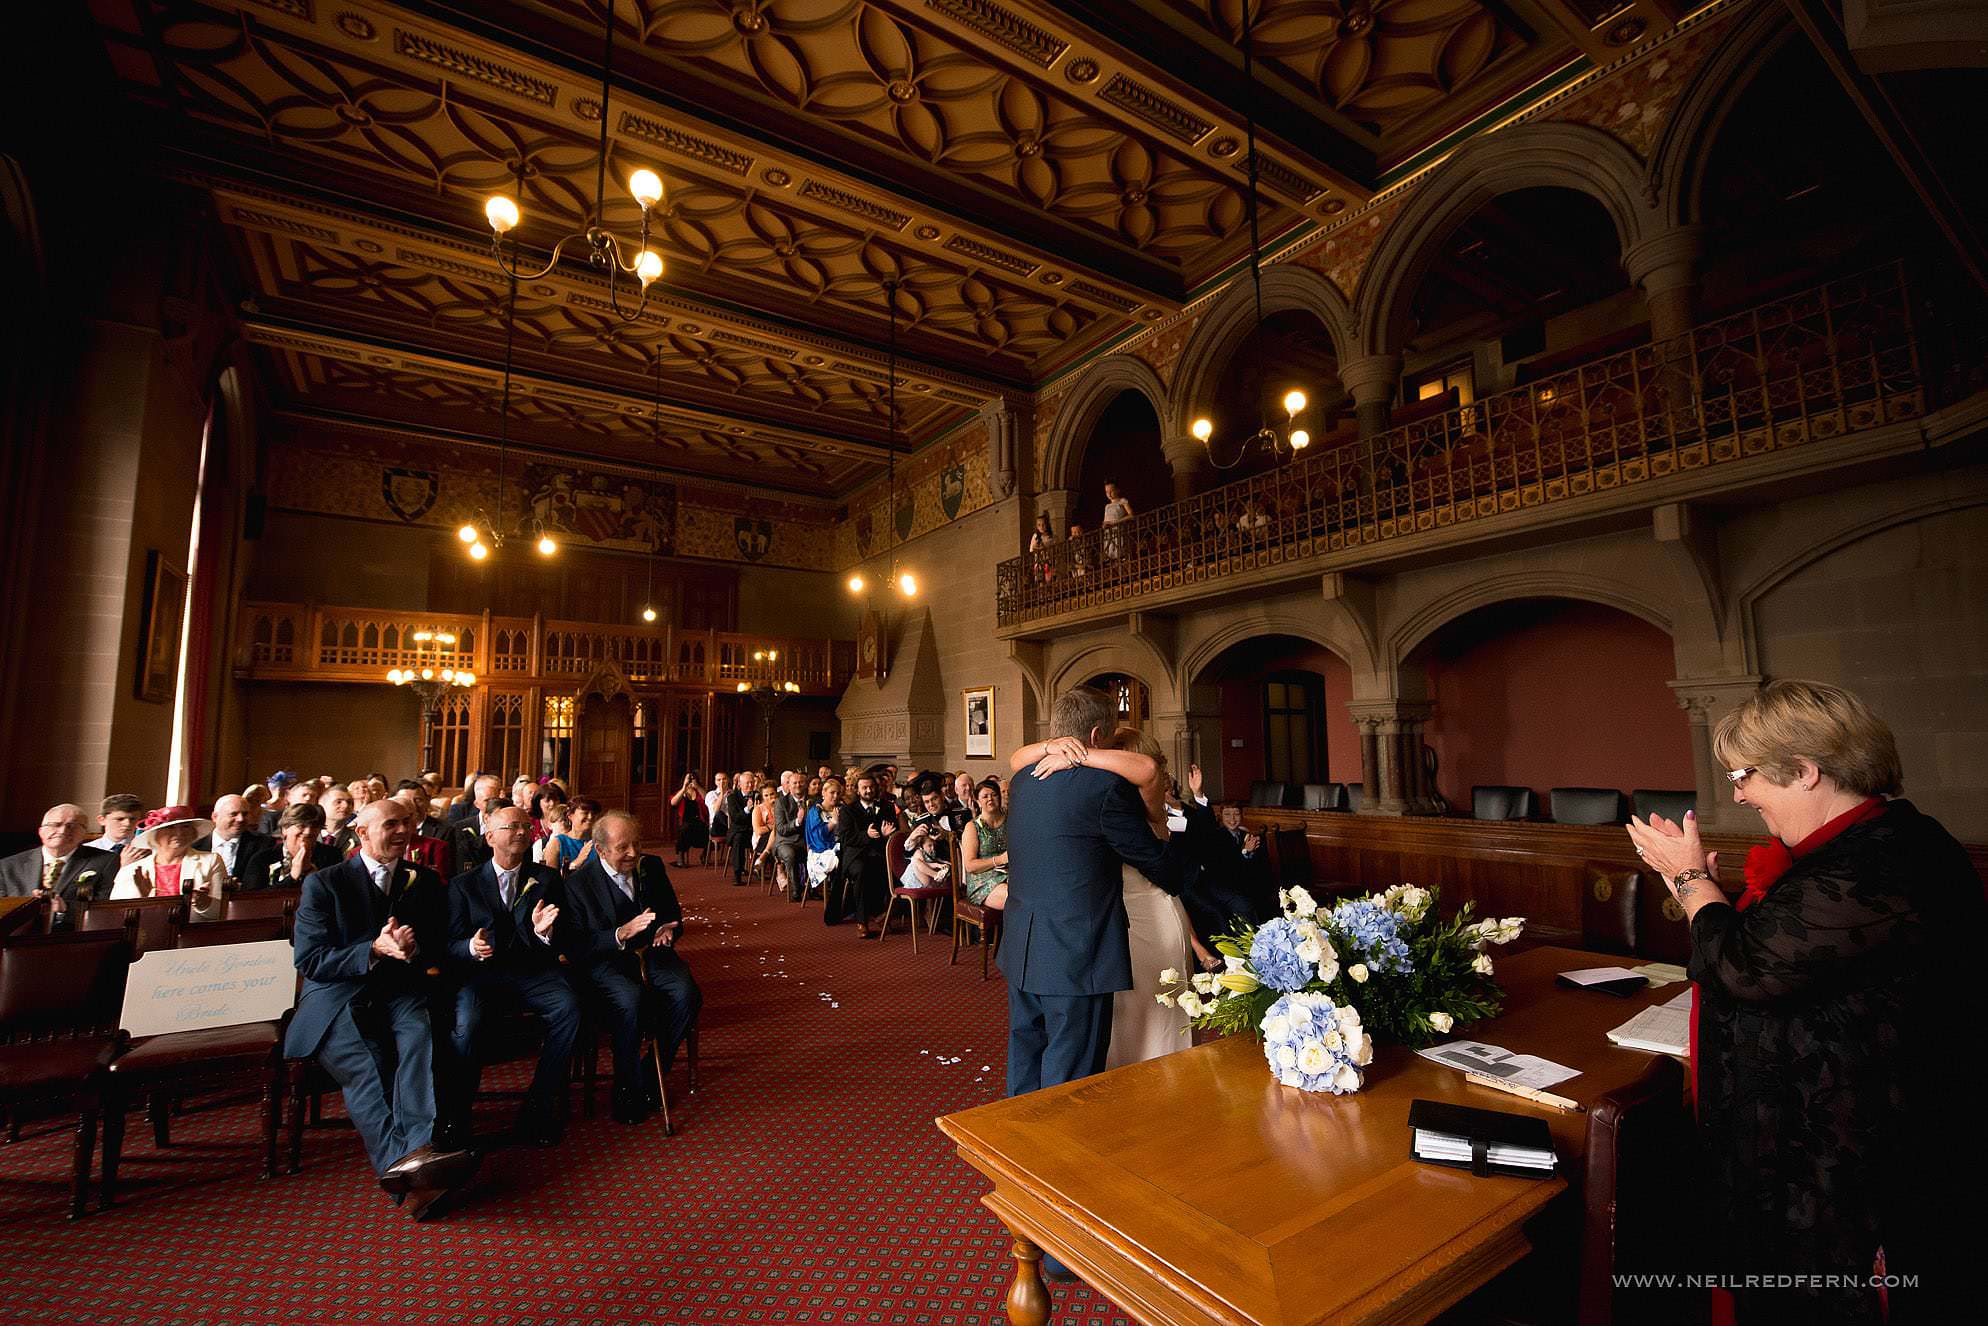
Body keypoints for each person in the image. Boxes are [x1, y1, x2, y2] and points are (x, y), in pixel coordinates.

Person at [1625, 679, 1983, 1324]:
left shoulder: (1880, 862)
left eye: (1743, 773)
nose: (1736, 792)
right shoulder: (1857, 849)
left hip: (1854, 1168)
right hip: (1808, 1149)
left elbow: (1745, 965)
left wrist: (1688, 877)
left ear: (1806, 772)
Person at [285, 799, 470, 1218]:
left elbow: (436, 945)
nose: (403, 831)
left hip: (399, 990)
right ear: (362, 833)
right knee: (367, 1067)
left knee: (420, 1041)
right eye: (391, 824)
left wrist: (412, 947)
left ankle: (417, 1160)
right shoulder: (325, 884)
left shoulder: (422, 880)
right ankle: (415, 1173)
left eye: (406, 823)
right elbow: (310, 961)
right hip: (337, 998)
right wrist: (371, 949)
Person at [1001, 687, 1184, 1101]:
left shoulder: (1024, 780)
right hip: (1076, 952)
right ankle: (1055, 1161)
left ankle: (1015, 1145)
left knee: (1027, 1052)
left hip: (1024, 943)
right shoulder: (1103, 787)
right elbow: (1149, 857)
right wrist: (1180, 873)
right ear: (1099, 735)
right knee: (1071, 1070)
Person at [446, 805, 580, 1146]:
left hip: (532, 970)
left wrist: (543, 934)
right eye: (511, 827)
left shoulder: (547, 879)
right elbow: (448, 943)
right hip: (481, 975)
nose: (521, 832)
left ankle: (539, 1105)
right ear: (490, 837)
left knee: (568, 1008)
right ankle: (457, 1116)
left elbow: (566, 934)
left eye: (525, 826)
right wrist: (470, 948)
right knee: (466, 1025)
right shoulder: (464, 885)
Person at [562, 812, 702, 1125]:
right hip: (608, 962)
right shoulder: (579, 884)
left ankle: (651, 1075)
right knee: (631, 1002)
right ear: (600, 850)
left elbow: (672, 913)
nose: (633, 853)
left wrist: (668, 929)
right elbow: (575, 945)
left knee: (686, 994)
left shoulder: (651, 866)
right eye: (623, 848)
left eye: (636, 844)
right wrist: (618, 935)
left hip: (653, 954)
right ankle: (627, 1088)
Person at [0, 804, 117, 925]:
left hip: (70, 937)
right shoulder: (7, 865)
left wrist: (64, 911)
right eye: (55, 825)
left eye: (72, 826)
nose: (62, 831)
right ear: (41, 831)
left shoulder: (105, 861)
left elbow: (103, 910)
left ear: (84, 833)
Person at [112, 805, 228, 921]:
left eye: (186, 827)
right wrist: (145, 899)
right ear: (155, 835)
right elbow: (116, 915)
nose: (179, 833)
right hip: (146, 934)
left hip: (193, 935)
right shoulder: (131, 870)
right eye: (171, 827)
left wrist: (204, 903)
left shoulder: (211, 861)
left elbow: (223, 912)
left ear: (193, 832)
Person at [840, 773, 895, 937]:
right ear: (857, 790)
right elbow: (846, 838)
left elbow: (892, 831)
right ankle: (862, 922)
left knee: (895, 870)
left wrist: (886, 835)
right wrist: (866, 835)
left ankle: (882, 914)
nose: (869, 790)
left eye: (871, 787)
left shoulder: (887, 807)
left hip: (880, 852)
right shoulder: (848, 810)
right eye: (864, 787)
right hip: (856, 855)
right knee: (862, 871)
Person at [241, 803, 342, 889]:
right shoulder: (262, 859)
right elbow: (252, 899)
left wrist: (309, 871)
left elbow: (337, 894)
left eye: (314, 826)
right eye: (302, 826)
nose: (308, 831)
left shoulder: (332, 856)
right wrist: (292, 877)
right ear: (285, 829)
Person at [197, 792, 272, 883]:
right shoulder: (196, 848)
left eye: (244, 814)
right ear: (215, 817)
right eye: (233, 814)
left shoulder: (263, 844)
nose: (241, 819)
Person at [959, 779, 1009, 909]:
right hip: (983, 882)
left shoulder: (1011, 820)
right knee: (1017, 897)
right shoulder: (972, 827)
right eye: (985, 796)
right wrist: (1000, 859)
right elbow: (970, 865)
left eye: (994, 795)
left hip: (1011, 874)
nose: (990, 799)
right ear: (978, 801)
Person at [899, 785, 954, 891]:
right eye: (927, 802)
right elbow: (908, 854)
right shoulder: (920, 821)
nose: (931, 804)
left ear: (942, 796)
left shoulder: (957, 815)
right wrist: (913, 836)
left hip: (953, 863)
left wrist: (947, 835)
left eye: (934, 799)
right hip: (929, 869)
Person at [804, 776, 845, 918]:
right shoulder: (815, 812)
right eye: (832, 793)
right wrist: (832, 823)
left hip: (839, 846)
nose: (835, 796)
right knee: (840, 860)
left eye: (838, 793)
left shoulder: (842, 809)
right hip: (820, 850)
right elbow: (817, 838)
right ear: (824, 793)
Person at [772, 771, 808, 901]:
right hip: (785, 842)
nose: (798, 785)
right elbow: (781, 829)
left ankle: (814, 888)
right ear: (789, 785)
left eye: (801, 782)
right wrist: (797, 822)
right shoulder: (781, 802)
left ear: (805, 784)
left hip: (806, 841)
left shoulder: (812, 801)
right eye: (794, 783)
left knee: (819, 852)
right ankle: (796, 889)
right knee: (790, 855)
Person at [541, 797, 597, 875]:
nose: (590, 817)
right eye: (585, 813)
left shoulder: (599, 842)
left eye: (593, 813)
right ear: (570, 816)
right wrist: (576, 863)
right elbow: (549, 879)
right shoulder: (557, 843)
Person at [669, 773, 709, 868]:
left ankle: (704, 855)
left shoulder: (700, 791)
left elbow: (708, 799)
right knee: (685, 828)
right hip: (685, 822)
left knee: (710, 829)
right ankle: (681, 856)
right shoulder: (681, 792)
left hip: (700, 821)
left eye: (692, 778)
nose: (690, 780)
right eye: (688, 779)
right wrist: (684, 788)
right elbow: (673, 803)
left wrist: (698, 787)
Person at [724, 771, 756, 886]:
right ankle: (737, 874)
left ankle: (761, 869)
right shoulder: (732, 797)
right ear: (740, 785)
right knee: (738, 839)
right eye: (747, 783)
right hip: (739, 830)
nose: (750, 786)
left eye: (752, 783)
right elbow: (736, 818)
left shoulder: (758, 795)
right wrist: (747, 809)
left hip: (755, 830)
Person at [321, 785, 359, 857]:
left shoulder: (357, 839)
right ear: (322, 805)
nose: (346, 806)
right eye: (338, 802)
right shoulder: (308, 834)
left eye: (349, 802)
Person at [1100, 480, 1132, 562]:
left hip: (1118, 530)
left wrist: (1115, 522)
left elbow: (1131, 515)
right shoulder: (1107, 506)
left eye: (1111, 491)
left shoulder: (1122, 501)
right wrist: (1104, 525)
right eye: (1107, 492)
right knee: (1110, 550)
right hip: (1109, 533)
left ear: (1118, 490)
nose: (1109, 494)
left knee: (1120, 549)